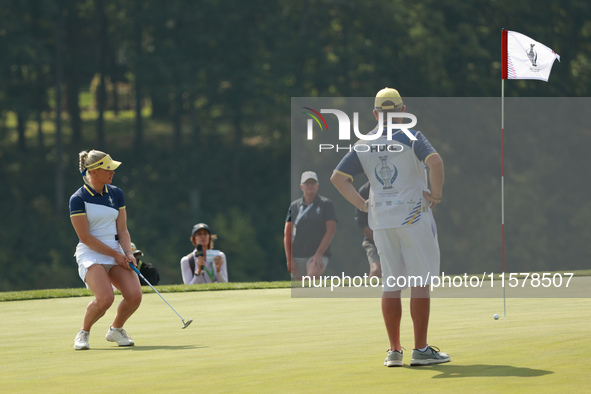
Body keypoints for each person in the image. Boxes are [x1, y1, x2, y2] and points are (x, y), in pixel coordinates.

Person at [331, 88, 449, 367]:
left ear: (375, 114)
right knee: (419, 282)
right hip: (414, 221)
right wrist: (437, 195)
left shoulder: (364, 142)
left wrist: (363, 205)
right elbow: (436, 162)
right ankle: (420, 350)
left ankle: (394, 351)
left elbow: (337, 178)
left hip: (382, 223)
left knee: (392, 283)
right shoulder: (411, 136)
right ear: (403, 111)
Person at [69, 149, 142, 350]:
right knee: (105, 299)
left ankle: (116, 330)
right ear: (93, 171)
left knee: (135, 296)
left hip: (117, 252)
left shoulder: (116, 193)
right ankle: (83, 332)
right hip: (91, 254)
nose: (112, 173)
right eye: (108, 169)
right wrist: (116, 254)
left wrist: (128, 252)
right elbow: (85, 237)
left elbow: (122, 229)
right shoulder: (78, 199)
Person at [284, 171, 337, 280]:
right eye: (307, 183)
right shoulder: (294, 206)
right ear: (301, 186)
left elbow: (330, 231)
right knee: (300, 291)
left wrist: (318, 254)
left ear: (317, 186)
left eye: (313, 183)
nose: (310, 186)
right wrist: (290, 259)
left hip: (318, 255)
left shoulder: (326, 204)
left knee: (312, 276)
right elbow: (287, 233)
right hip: (298, 255)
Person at [354, 181, 381, 278]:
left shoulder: (394, 186)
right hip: (373, 241)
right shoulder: (364, 191)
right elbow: (362, 223)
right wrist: (380, 240)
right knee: (376, 271)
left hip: (396, 241)